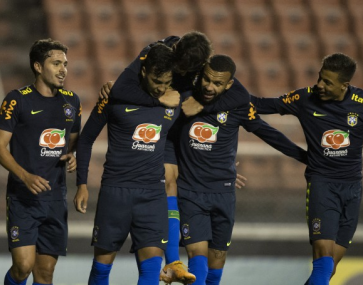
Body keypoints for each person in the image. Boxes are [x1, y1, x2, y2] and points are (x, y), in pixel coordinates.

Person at [98, 31, 251, 284]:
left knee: (179, 180)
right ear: (175, 50)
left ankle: (171, 262)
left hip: (183, 128)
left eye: (186, 70)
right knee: (169, 177)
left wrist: (202, 106)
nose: (180, 72)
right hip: (161, 125)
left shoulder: (206, 67)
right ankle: (172, 261)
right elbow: (122, 87)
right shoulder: (155, 50)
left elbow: (242, 96)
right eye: (178, 66)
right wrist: (159, 98)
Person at [250, 53, 363, 285]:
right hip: (322, 184)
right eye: (320, 78)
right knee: (323, 259)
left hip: (353, 189)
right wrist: (228, 92)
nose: (320, 85)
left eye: (327, 82)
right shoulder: (304, 98)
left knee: (329, 269)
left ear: (344, 86)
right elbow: (261, 104)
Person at [175, 54, 308, 285]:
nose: (209, 86)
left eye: (217, 83)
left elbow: (267, 132)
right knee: (197, 256)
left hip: (224, 191)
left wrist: (306, 157)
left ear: (229, 84)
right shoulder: (184, 97)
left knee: (217, 262)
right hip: (190, 191)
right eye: (206, 79)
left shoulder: (237, 104)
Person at [74, 43, 190, 285]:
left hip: (152, 196)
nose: (161, 88)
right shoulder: (114, 98)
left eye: (166, 83)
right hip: (116, 193)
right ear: (144, 70)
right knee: (101, 269)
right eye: (156, 80)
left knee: (150, 272)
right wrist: (82, 184)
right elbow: (85, 140)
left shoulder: (175, 102)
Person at [0, 38, 81, 285]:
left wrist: (72, 156)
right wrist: (25, 176)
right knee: (23, 266)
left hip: (55, 198)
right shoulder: (17, 99)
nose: (63, 69)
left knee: (45, 273)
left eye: (65, 63)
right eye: (56, 63)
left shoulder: (72, 101)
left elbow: (72, 141)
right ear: (38, 67)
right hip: (23, 198)